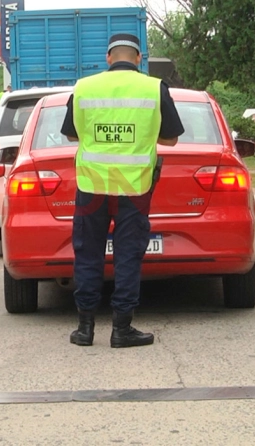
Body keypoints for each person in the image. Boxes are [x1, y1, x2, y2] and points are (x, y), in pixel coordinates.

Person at [60, 33, 184, 348]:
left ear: (108, 57)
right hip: (135, 187)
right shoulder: (154, 88)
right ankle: (121, 329)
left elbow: (72, 136)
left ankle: (85, 329)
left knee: (88, 253)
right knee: (128, 254)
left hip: (93, 185)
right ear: (139, 58)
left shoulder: (84, 88)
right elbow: (171, 140)